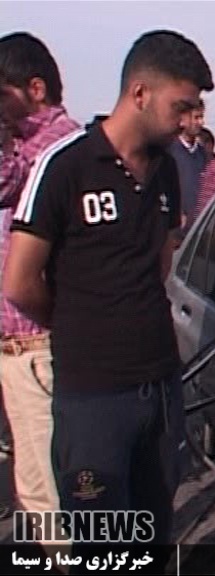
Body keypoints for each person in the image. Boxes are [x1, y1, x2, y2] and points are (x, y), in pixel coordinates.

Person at [2, 29, 213, 558]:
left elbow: (161, 261)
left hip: (160, 390)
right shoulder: (65, 166)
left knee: (153, 539)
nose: (189, 121)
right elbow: (20, 282)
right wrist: (80, 323)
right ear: (140, 94)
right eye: (181, 107)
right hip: (93, 400)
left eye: (195, 110)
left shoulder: (165, 171)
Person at [0, 32, 81, 534]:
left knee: (54, 492)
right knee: (35, 487)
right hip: (20, 346)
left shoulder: (56, 150)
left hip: (39, 342)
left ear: (34, 89)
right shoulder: (19, 147)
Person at [167, 97, 206, 230]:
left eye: (202, 117)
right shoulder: (168, 153)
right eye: (196, 117)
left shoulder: (203, 154)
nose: (201, 122)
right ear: (182, 119)